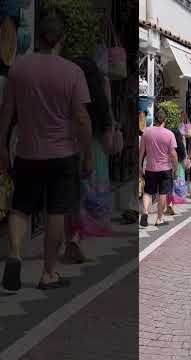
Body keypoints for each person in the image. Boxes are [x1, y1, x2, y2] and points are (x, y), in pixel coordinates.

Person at [0, 9, 93, 290]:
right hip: (63, 155)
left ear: (38, 37)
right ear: (60, 39)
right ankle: (48, 273)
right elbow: (81, 118)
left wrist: (2, 146)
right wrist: (88, 154)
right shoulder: (73, 72)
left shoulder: (18, 68)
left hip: (27, 152)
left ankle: (15, 254)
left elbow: (6, 112)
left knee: (20, 208)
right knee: (56, 212)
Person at [63, 57, 113, 263]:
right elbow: (108, 138)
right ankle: (76, 240)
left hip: (69, 148)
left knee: (70, 199)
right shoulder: (100, 102)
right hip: (95, 153)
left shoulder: (68, 94)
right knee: (89, 201)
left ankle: (71, 240)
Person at [139, 109, 178, 227]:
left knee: (147, 191)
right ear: (164, 120)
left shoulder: (146, 132)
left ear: (155, 119)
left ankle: (145, 211)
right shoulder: (169, 134)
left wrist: (140, 166)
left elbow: (141, 152)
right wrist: (176, 168)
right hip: (165, 168)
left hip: (150, 168)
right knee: (162, 193)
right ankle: (159, 219)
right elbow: (173, 154)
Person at [165, 127, 186, 216]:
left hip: (169, 166)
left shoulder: (169, 143)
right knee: (176, 186)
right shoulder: (181, 146)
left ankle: (169, 205)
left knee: (168, 187)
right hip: (179, 167)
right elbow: (184, 156)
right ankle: (172, 205)